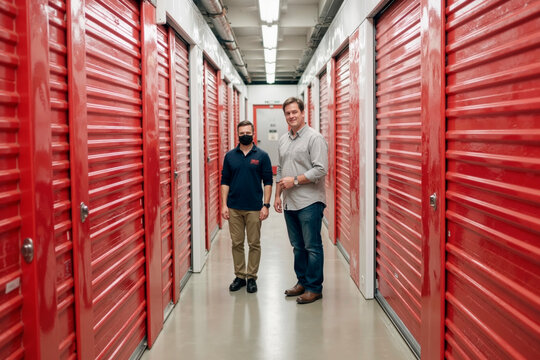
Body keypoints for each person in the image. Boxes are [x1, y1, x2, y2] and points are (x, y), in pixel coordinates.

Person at [274, 97, 328, 304]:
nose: (291, 116)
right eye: (288, 113)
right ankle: (302, 282)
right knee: (297, 246)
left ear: (303, 112)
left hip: (310, 202)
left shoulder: (315, 138)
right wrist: (278, 194)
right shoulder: (283, 139)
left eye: (295, 112)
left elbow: (321, 169)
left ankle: (315, 288)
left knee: (312, 246)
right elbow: (280, 168)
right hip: (290, 202)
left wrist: (295, 180)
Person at [221, 120, 273, 293]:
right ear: (238, 134)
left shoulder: (262, 156)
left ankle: (251, 277)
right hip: (234, 207)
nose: (245, 135)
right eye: (241, 133)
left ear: (253, 133)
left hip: (254, 207)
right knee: (236, 243)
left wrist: (266, 205)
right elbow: (225, 181)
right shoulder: (230, 156)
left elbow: (268, 182)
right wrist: (224, 205)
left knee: (254, 243)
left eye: (247, 132)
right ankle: (240, 276)